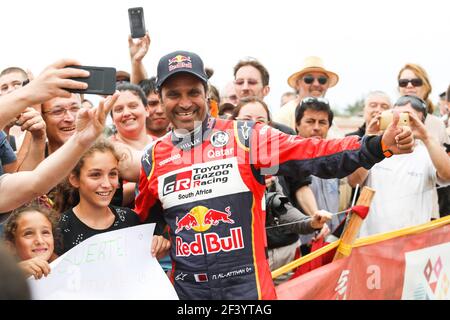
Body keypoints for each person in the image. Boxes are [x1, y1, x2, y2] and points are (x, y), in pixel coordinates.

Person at [132, 50, 414, 300]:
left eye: (193, 92)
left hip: (248, 291)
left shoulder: (244, 136)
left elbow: (315, 154)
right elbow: (144, 223)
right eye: (174, 94)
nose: (184, 103)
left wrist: (379, 146)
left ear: (206, 93)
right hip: (188, 294)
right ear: (160, 98)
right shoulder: (152, 157)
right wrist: (157, 237)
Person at [0, 58, 118, 213]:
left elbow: (36, 182)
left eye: (75, 108)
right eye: (57, 111)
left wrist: (80, 141)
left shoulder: (105, 151)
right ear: (43, 116)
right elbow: (33, 186)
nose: (69, 118)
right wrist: (29, 95)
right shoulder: (34, 145)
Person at [231, 97, 331, 278]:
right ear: (232, 124)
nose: (253, 126)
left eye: (260, 121)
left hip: (283, 252)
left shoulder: (270, 160)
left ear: (269, 125)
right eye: (246, 121)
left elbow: (279, 204)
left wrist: (310, 222)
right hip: (240, 259)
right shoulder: (221, 159)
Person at [348, 95, 450, 237]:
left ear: (421, 122)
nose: (402, 123)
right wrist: (368, 137)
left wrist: (426, 137)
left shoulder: (427, 153)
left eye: (409, 119)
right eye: (396, 116)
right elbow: (354, 181)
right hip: (370, 243)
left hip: (411, 245)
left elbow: (447, 175)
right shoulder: (376, 150)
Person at [55, 139, 170, 257]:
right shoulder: (59, 229)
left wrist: (158, 245)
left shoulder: (130, 219)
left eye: (113, 174)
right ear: (74, 179)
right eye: (95, 175)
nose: (107, 184)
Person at [397, 63, 450, 219]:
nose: (409, 86)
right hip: (390, 206)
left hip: (426, 208)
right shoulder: (389, 119)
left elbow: (444, 172)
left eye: (416, 82)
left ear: (426, 87)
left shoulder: (437, 124)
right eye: (403, 82)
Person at [273, 56, 338, 131]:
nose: (316, 84)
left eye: (322, 80)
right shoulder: (283, 116)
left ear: (327, 85)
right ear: (297, 84)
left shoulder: (330, 120)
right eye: (309, 79)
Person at [3, 203, 58, 279]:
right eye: (28, 233)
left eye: (45, 232)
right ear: (11, 246)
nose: (40, 241)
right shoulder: (6, 279)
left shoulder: (67, 271)